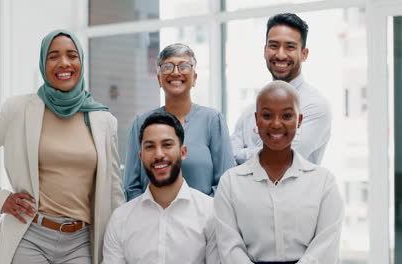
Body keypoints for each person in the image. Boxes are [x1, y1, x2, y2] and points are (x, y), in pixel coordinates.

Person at [0, 29, 124, 264]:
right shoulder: (18, 109)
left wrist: (121, 247)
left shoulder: (103, 120)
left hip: (81, 242)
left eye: (71, 55)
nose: (63, 63)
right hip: (30, 236)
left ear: (81, 62)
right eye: (53, 56)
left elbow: (114, 190)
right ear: (43, 64)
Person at [215, 81, 344, 264]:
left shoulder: (324, 182)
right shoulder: (230, 183)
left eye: (286, 115)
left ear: (299, 121)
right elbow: (229, 248)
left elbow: (326, 246)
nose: (276, 124)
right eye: (267, 115)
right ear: (256, 120)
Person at [103, 112, 219, 264]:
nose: (159, 154)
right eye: (150, 147)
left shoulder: (210, 213)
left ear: (183, 152)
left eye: (167, 145)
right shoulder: (121, 219)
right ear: (141, 156)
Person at [124, 43, 235, 201]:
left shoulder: (212, 120)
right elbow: (131, 186)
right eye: (168, 66)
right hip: (152, 220)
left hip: (204, 220)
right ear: (159, 79)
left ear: (194, 78)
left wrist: (201, 214)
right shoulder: (141, 123)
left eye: (183, 66)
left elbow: (226, 184)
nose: (176, 72)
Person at [231, 13, 331, 165]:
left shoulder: (315, 106)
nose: (280, 55)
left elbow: (281, 157)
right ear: (265, 51)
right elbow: (227, 155)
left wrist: (241, 155)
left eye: (290, 47)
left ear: (304, 54)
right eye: (274, 46)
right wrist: (256, 153)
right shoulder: (250, 110)